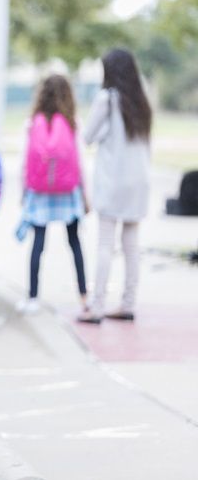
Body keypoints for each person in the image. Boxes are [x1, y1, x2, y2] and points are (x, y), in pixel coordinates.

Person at [80, 48, 152, 324]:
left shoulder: (106, 99)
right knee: (132, 245)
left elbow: (87, 136)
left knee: (105, 244)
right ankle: (128, 303)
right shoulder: (141, 100)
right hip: (139, 182)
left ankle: (97, 306)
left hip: (113, 182)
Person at [16, 75, 88, 315]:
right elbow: (81, 162)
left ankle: (33, 297)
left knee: (38, 243)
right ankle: (84, 296)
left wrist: (23, 193)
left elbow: (24, 163)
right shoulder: (72, 122)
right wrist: (86, 195)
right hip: (69, 191)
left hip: (39, 193)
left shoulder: (32, 123)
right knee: (75, 243)